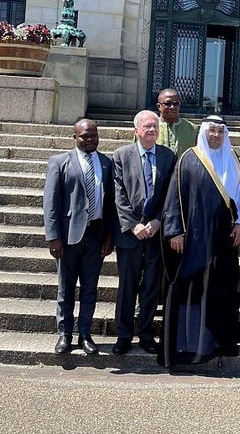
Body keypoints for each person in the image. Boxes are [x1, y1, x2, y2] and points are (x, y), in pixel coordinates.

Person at [160, 116, 240, 365]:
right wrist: (176, 231)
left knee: (221, 290)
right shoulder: (189, 158)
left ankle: (219, 342)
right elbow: (174, 198)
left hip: (224, 239)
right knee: (194, 290)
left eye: (221, 131)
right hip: (195, 241)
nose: (216, 136)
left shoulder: (232, 159)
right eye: (212, 131)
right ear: (203, 133)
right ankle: (188, 345)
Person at [43, 119, 115, 355]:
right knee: (66, 289)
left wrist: (109, 236)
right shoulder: (60, 162)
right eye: (85, 136)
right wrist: (53, 237)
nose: (91, 139)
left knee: (90, 289)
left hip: (96, 235)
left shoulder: (107, 162)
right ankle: (64, 334)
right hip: (68, 236)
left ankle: (85, 333)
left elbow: (111, 203)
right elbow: (51, 203)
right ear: (75, 137)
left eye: (94, 135)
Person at [112, 110, 177, 356]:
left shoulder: (168, 156)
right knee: (127, 286)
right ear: (136, 130)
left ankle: (146, 334)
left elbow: (170, 193)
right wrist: (132, 224)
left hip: (155, 234)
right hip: (130, 234)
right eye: (147, 127)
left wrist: (158, 221)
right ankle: (123, 335)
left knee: (151, 287)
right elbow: (118, 193)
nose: (151, 130)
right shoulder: (121, 156)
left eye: (154, 127)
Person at [156, 88, 198, 157]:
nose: (172, 107)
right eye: (167, 104)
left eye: (176, 104)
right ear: (159, 106)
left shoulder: (192, 129)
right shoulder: (148, 127)